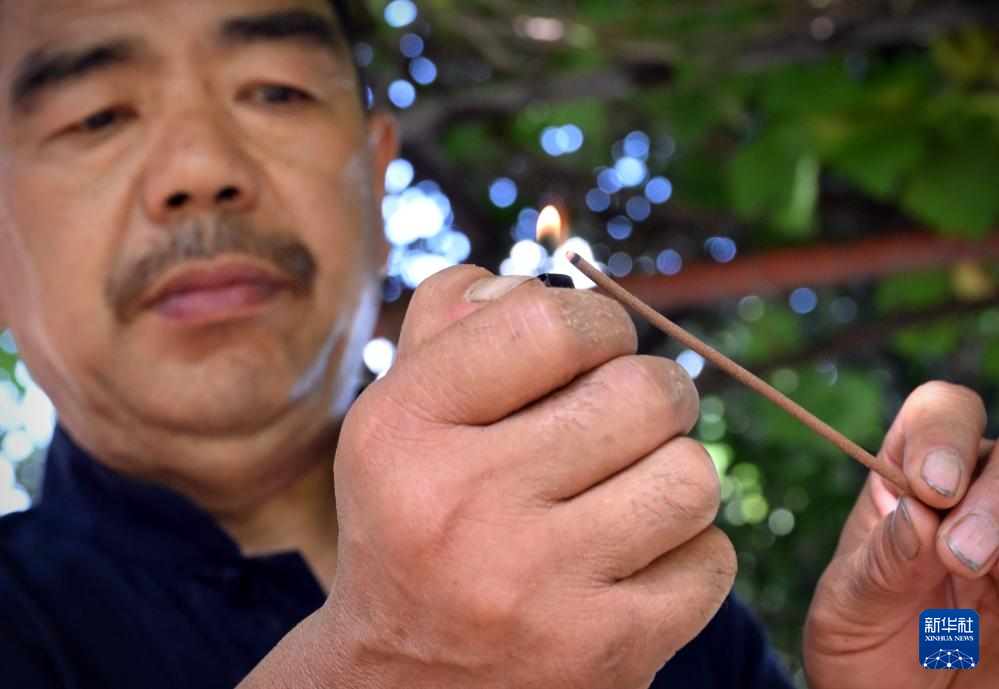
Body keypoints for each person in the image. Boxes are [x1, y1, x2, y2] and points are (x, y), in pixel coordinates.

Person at [0, 1, 994, 688]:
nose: (202, 167)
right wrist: (392, 664)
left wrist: (932, 654)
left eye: (276, 92)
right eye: (96, 114)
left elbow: (937, 652)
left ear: (374, 178)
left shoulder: (631, 567)